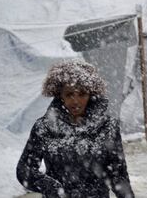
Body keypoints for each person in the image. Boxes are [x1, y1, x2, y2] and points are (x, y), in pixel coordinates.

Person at [16, 60, 134, 198]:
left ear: (91, 94)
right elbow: (25, 169)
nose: (75, 101)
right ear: (60, 95)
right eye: (69, 94)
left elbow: (118, 174)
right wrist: (51, 187)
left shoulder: (108, 126)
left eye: (82, 94)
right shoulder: (44, 127)